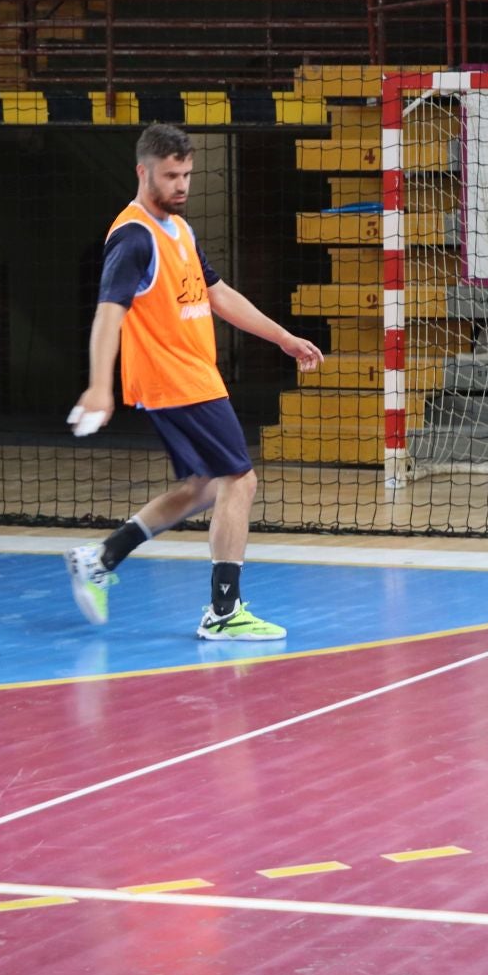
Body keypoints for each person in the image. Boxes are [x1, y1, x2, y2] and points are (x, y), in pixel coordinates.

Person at [64, 123, 323, 638]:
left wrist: (282, 337)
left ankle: (100, 559)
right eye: (170, 175)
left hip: (194, 377)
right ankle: (224, 613)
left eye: (187, 174)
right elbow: (108, 315)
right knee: (240, 481)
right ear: (143, 172)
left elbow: (218, 294)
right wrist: (99, 385)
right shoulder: (134, 237)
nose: (182, 185)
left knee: (203, 488)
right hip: (173, 380)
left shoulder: (179, 230)